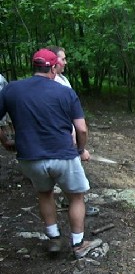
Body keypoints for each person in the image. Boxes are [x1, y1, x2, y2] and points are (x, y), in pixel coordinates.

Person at [0, 48, 101, 259]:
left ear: (34, 66)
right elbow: (81, 129)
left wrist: (5, 141)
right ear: (53, 67)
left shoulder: (11, 89)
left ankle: (54, 238)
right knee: (76, 197)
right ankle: (78, 244)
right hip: (63, 156)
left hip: (30, 158)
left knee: (44, 193)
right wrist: (81, 150)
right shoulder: (65, 92)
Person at [46, 45, 99, 216]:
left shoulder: (63, 80)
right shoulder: (51, 83)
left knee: (69, 176)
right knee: (73, 178)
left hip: (69, 134)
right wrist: (77, 146)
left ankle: (69, 201)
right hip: (62, 138)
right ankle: (75, 207)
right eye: (62, 58)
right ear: (53, 61)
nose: (66, 62)